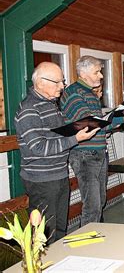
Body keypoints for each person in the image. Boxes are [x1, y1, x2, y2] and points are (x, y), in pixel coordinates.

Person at [14, 62, 99, 242]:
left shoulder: (50, 104)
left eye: (63, 81)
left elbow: (56, 134)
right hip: (42, 180)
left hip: (58, 174)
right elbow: (38, 147)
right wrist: (76, 139)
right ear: (40, 83)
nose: (62, 86)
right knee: (45, 235)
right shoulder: (29, 109)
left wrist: (77, 129)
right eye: (58, 82)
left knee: (60, 228)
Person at [60, 56, 124, 227]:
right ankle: (86, 246)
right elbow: (89, 124)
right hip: (84, 155)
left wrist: (115, 119)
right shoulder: (74, 93)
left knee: (100, 201)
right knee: (92, 205)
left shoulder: (89, 93)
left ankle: (95, 236)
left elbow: (98, 123)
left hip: (98, 152)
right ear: (83, 73)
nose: (101, 76)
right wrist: (122, 120)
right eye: (97, 72)